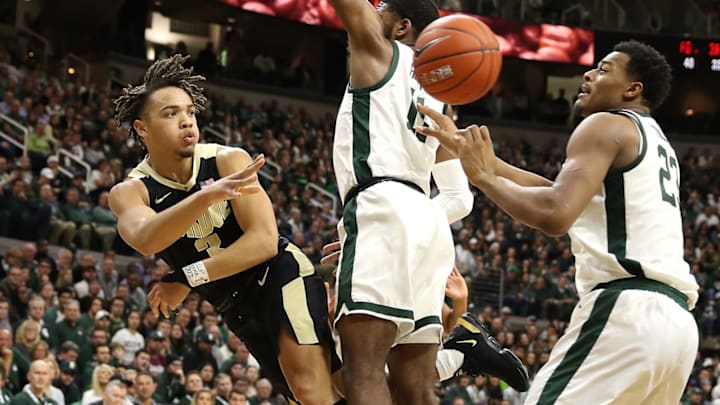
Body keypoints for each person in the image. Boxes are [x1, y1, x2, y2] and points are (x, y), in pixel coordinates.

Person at [417, 40, 699, 404]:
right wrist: (486, 164)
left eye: (604, 69)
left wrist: (485, 178)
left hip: (627, 311)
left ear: (632, 89)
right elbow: (559, 192)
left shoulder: (605, 123)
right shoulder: (654, 139)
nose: (589, 74)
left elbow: (555, 214)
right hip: (676, 326)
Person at [109, 54, 342, 405]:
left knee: (309, 389)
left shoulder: (227, 160)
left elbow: (263, 242)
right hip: (234, 306)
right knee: (331, 388)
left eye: (190, 111)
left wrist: (187, 277)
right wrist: (205, 198)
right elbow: (145, 239)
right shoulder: (131, 191)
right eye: (171, 114)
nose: (187, 121)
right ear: (142, 128)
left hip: (279, 273)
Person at [328, 1, 528, 403]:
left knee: (363, 368)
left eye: (380, 10)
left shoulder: (378, 51)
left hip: (380, 205)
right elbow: (458, 198)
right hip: (426, 224)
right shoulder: (441, 98)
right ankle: (460, 355)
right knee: (415, 386)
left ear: (401, 27)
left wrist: (386, 226)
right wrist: (411, 219)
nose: (373, 16)